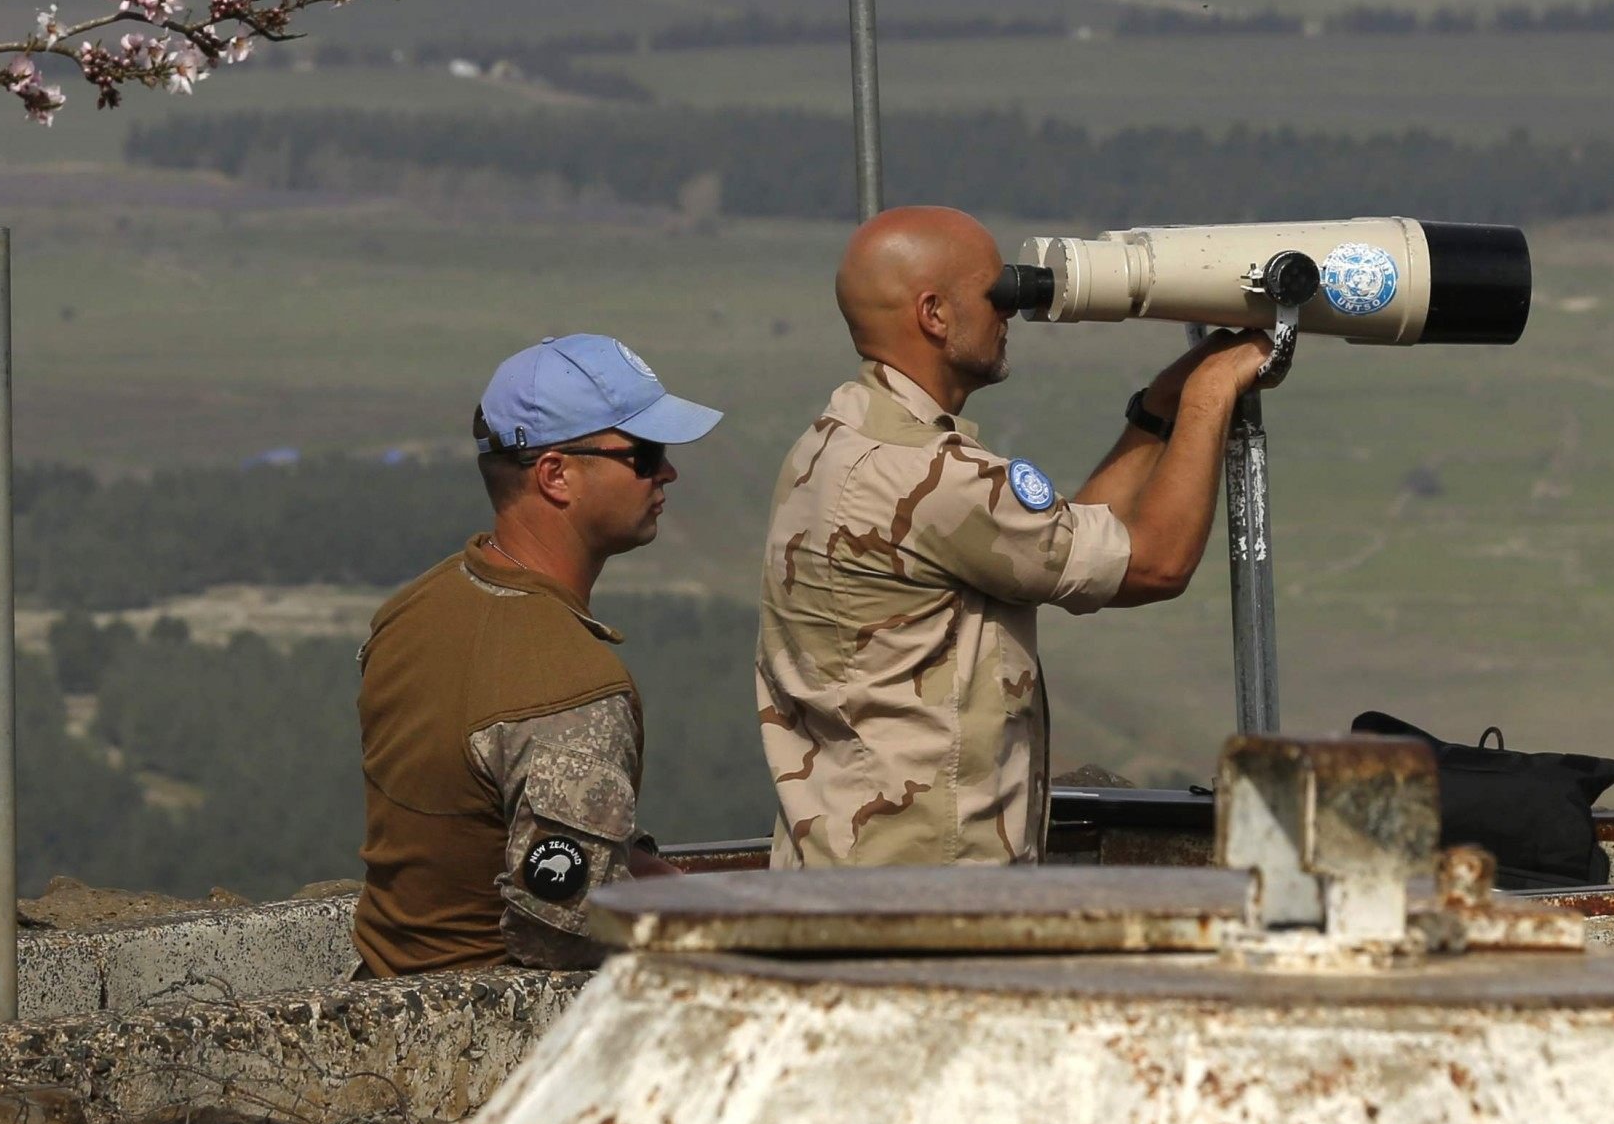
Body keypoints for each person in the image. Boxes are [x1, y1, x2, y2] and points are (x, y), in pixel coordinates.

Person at [755, 203, 1272, 866]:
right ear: (934, 314)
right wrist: (1212, 391)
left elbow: (1062, 545)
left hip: (847, 872)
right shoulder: (933, 478)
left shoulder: (834, 444)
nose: (1010, 311)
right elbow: (1157, 564)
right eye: (995, 294)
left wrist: (1159, 412)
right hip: (925, 899)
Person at [353, 334, 723, 973]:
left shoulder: (414, 610)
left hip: (384, 987)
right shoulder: (573, 692)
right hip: (486, 1034)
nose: (668, 472)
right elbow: (563, 938)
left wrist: (630, 862)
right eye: (644, 455)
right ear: (556, 475)